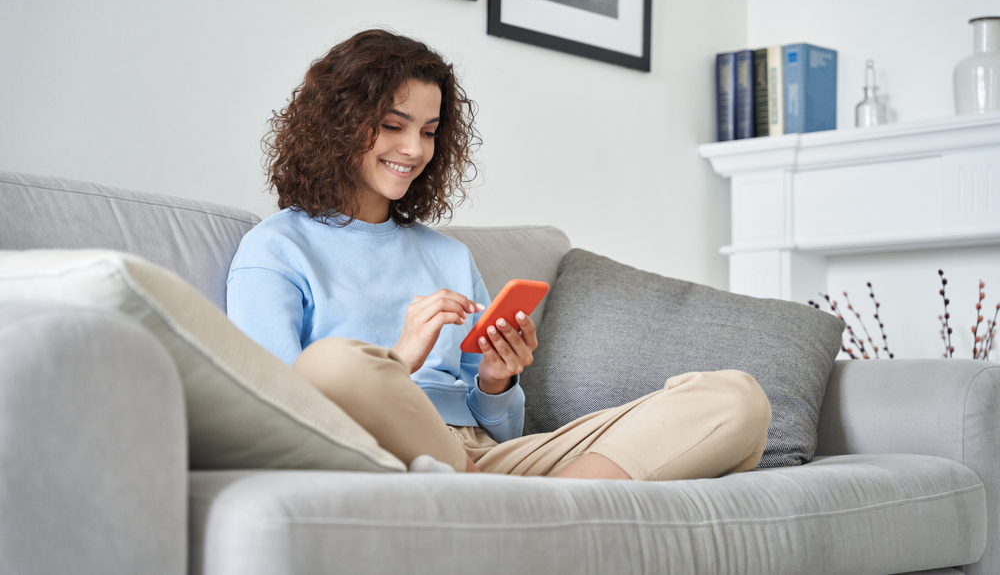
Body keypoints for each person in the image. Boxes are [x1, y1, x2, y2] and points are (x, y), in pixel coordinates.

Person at [227, 29, 771, 479]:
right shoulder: (276, 248)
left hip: (485, 462)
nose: (414, 150)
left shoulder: (449, 256)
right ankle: (527, 503)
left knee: (735, 398)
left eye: (429, 131)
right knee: (333, 363)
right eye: (393, 126)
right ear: (337, 124)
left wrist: (495, 381)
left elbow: (502, 430)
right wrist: (399, 361)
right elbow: (276, 408)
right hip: (385, 450)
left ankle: (550, 504)